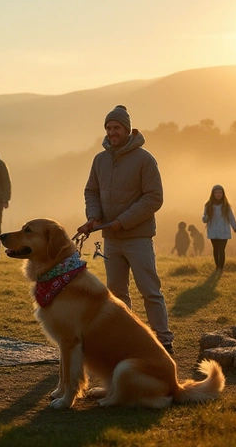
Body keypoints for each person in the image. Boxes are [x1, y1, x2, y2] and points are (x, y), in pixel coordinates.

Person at [76, 105, 175, 354]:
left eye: (116, 127)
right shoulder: (99, 160)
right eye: (108, 128)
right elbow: (92, 192)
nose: (111, 132)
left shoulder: (145, 159)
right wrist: (93, 217)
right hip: (110, 239)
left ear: (127, 129)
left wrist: (124, 220)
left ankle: (163, 341)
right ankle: (127, 338)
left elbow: (154, 198)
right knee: (117, 293)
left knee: (149, 290)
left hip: (138, 237)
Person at [202, 184, 236, 272]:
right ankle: (217, 266)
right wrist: (207, 217)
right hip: (213, 230)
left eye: (220, 193)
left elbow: (231, 217)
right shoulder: (208, 205)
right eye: (216, 193)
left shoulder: (226, 206)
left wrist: (235, 227)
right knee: (216, 249)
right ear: (213, 194)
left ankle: (220, 268)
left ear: (223, 194)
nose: (218, 194)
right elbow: (204, 218)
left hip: (224, 231)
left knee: (221, 249)